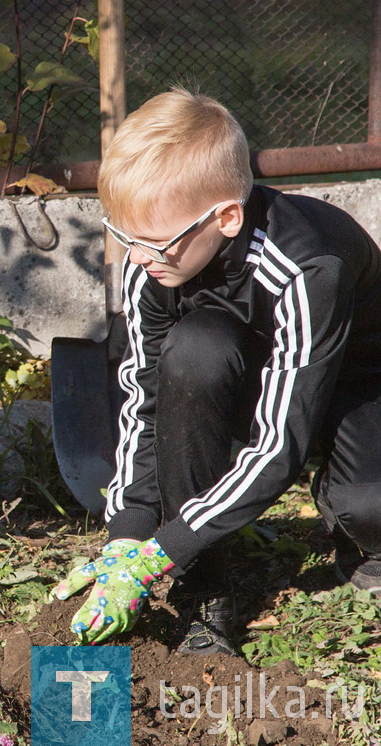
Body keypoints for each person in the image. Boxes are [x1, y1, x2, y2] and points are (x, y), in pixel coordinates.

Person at [52, 88, 381, 655]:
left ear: (226, 217)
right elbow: (143, 401)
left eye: (153, 243)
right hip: (243, 371)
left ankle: (358, 535)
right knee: (194, 352)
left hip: (352, 377)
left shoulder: (308, 266)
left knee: (368, 506)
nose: (136, 257)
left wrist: (166, 546)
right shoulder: (150, 261)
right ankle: (207, 591)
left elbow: (282, 442)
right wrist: (129, 534)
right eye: (124, 237)